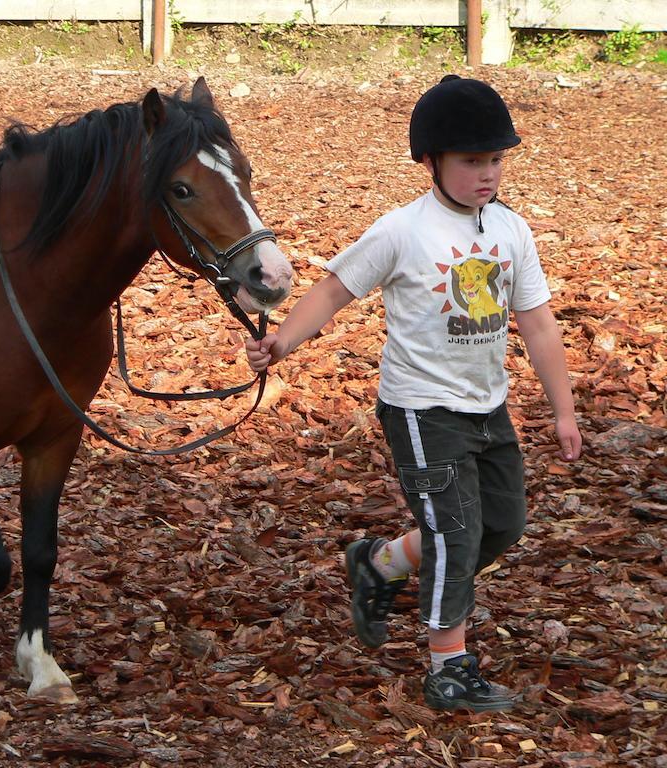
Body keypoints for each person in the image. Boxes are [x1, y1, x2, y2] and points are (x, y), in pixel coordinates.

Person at [246, 75, 582, 712]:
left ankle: (381, 564)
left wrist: (563, 409)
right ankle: (448, 666)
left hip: (488, 405)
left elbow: (536, 321)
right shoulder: (403, 231)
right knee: (455, 532)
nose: (487, 174)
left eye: (495, 160)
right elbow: (333, 289)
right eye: (471, 161)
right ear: (430, 160)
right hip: (422, 408)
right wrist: (283, 342)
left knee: (503, 526)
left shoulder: (511, 231)